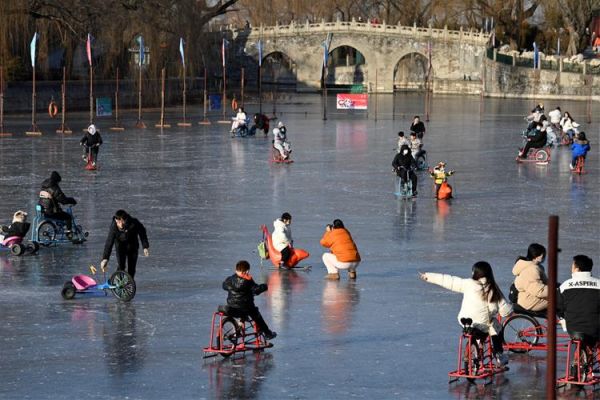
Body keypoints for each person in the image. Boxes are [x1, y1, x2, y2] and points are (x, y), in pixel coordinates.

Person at [419, 261, 513, 367]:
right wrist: (510, 311)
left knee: (476, 324)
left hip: (465, 321)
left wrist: (428, 276)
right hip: (483, 325)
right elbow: (505, 311)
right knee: (496, 327)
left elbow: (449, 280)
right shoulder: (493, 289)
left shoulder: (468, 283)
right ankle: (498, 354)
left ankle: (474, 347)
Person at [222, 260, 277, 340]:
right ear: (246, 271)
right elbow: (256, 290)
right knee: (257, 316)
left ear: (236, 269)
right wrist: (264, 286)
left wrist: (232, 288)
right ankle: (267, 333)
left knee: (243, 309)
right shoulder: (247, 280)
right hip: (245, 307)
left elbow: (224, 286)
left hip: (232, 305)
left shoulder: (230, 279)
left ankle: (239, 327)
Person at [557, 255, 599, 349]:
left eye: (573, 265)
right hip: (595, 329)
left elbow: (558, 307)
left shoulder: (565, 285)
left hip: (573, 329)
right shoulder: (598, 284)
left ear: (577, 268)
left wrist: (563, 317)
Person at [101, 209, 149, 279]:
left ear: (125, 220)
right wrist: (105, 258)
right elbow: (109, 242)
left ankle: (129, 286)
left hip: (133, 246)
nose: (119, 224)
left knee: (131, 269)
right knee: (121, 266)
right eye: (117, 222)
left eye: (120, 222)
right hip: (120, 247)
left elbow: (142, 231)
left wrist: (145, 246)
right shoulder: (114, 227)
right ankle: (117, 283)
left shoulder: (133, 223)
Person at [512, 243, 548, 312]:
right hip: (529, 301)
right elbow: (538, 291)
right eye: (543, 254)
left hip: (527, 297)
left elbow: (545, 281)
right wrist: (555, 291)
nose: (544, 256)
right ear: (537, 256)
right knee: (558, 300)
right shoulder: (532, 269)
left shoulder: (533, 266)